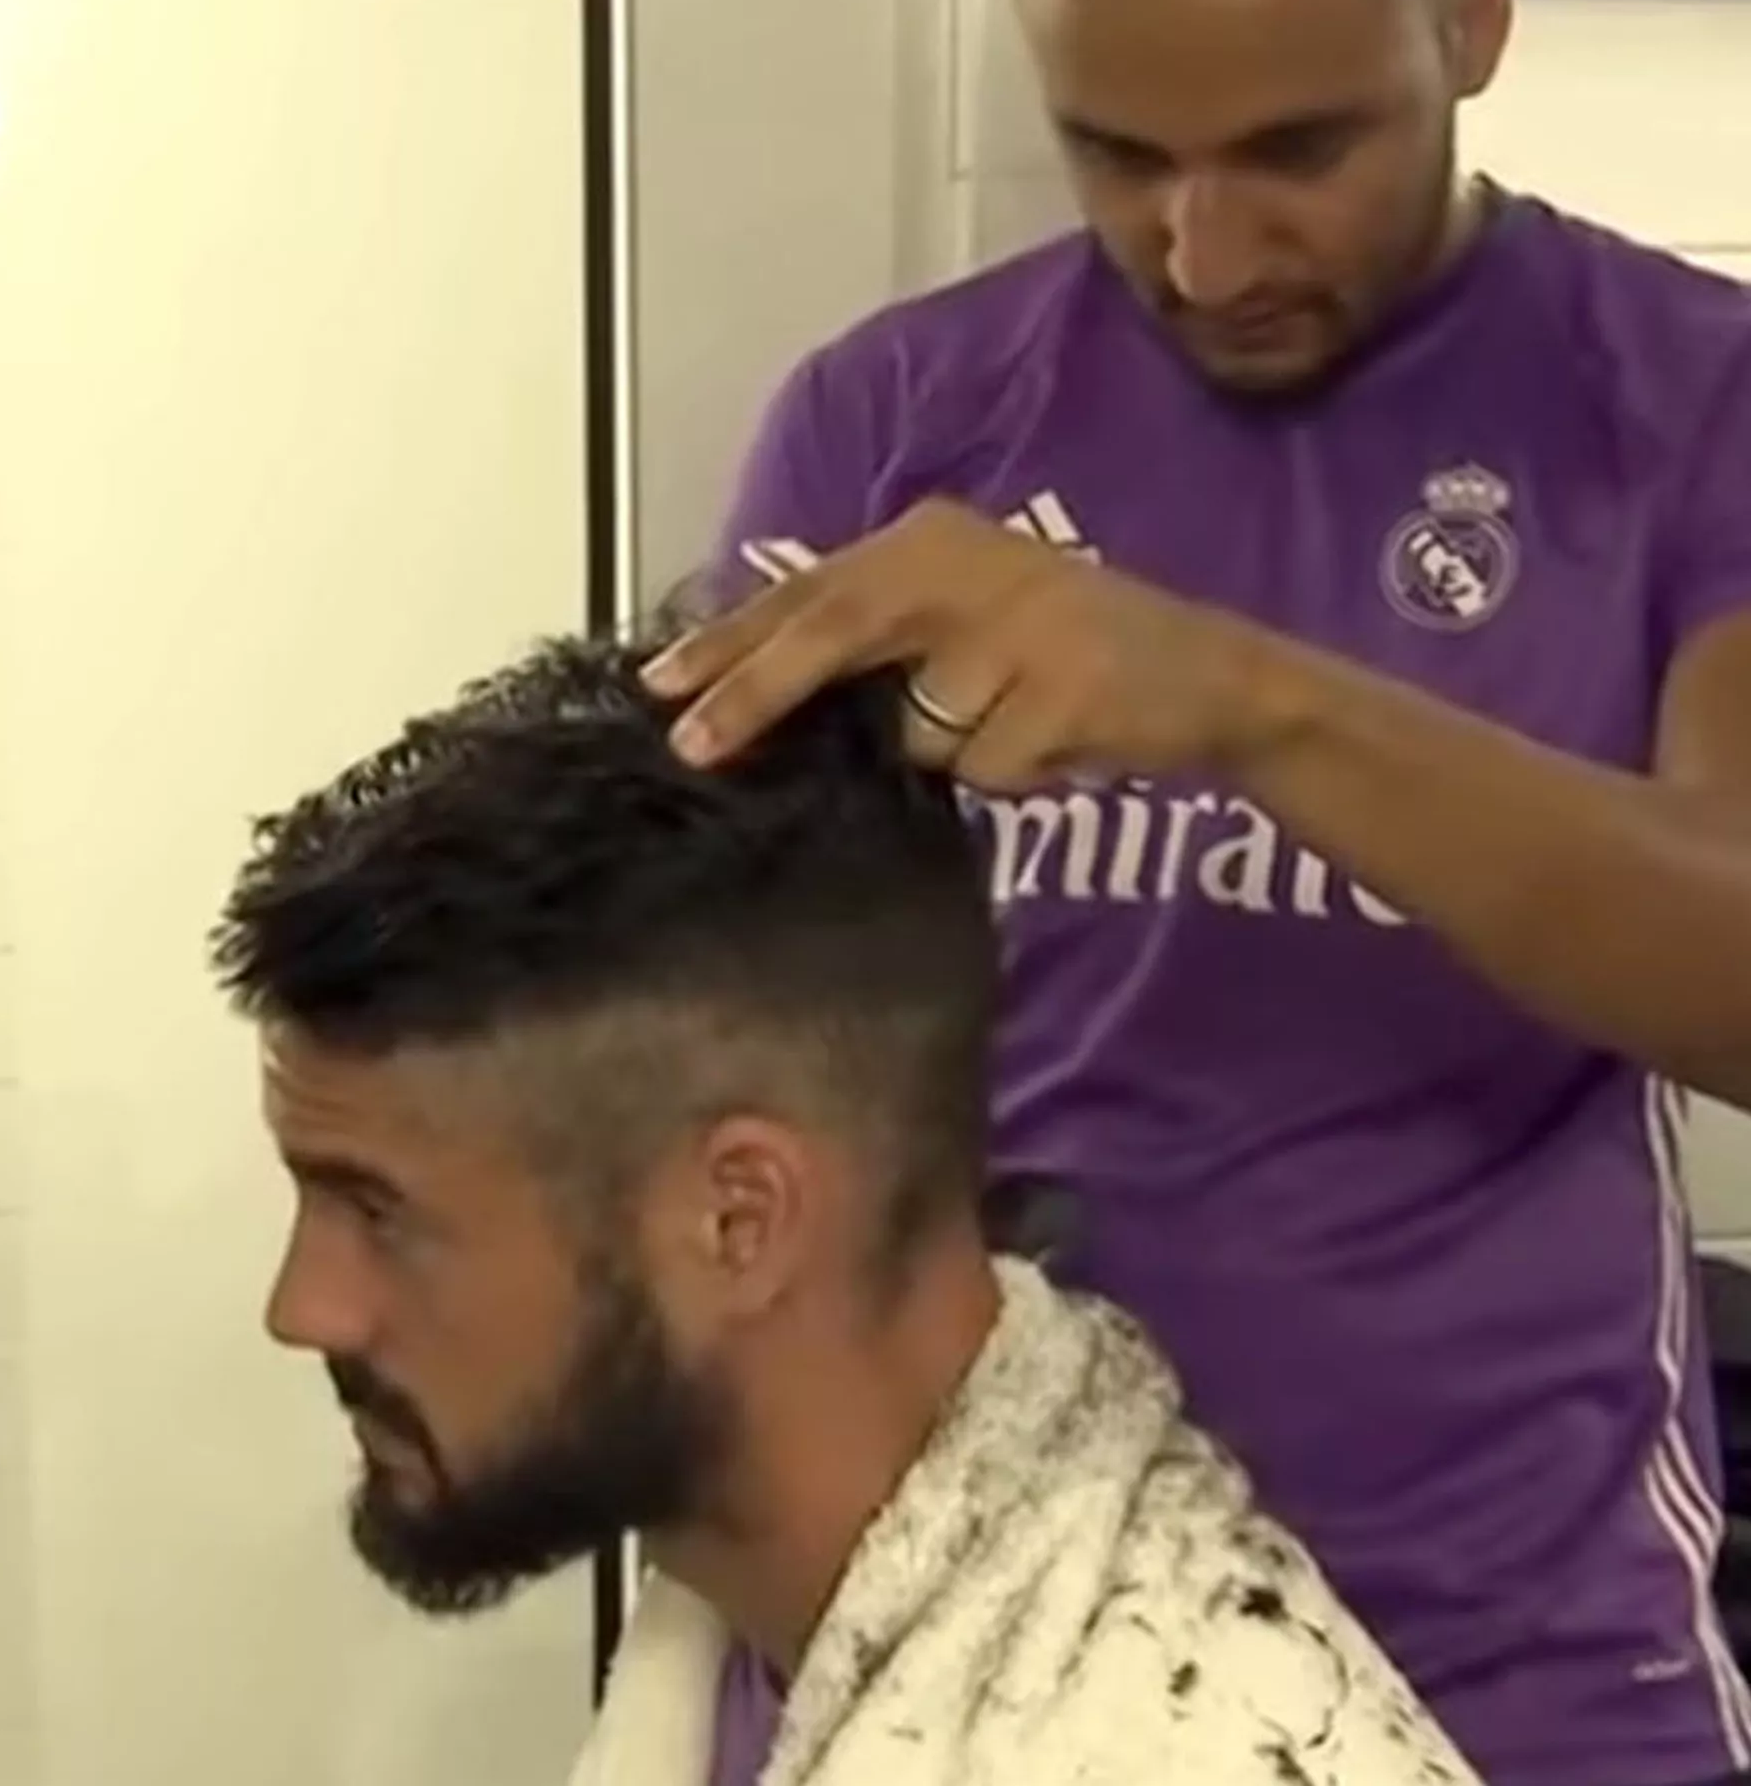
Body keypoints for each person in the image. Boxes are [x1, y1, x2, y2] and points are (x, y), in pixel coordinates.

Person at [639, 0, 1751, 1784]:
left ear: (1473, 25)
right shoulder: (892, 425)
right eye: (1120, 156)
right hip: (967, 1646)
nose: (1205, 251)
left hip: (1502, 1667)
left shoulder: (1693, 402)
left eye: (1298, 150)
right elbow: (698, 1049)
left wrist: (1234, 693)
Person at [212, 637, 1479, 1786]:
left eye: (376, 1209)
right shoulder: (744, 1628)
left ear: (739, 1218)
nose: (302, 1308)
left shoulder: (1182, 1743)